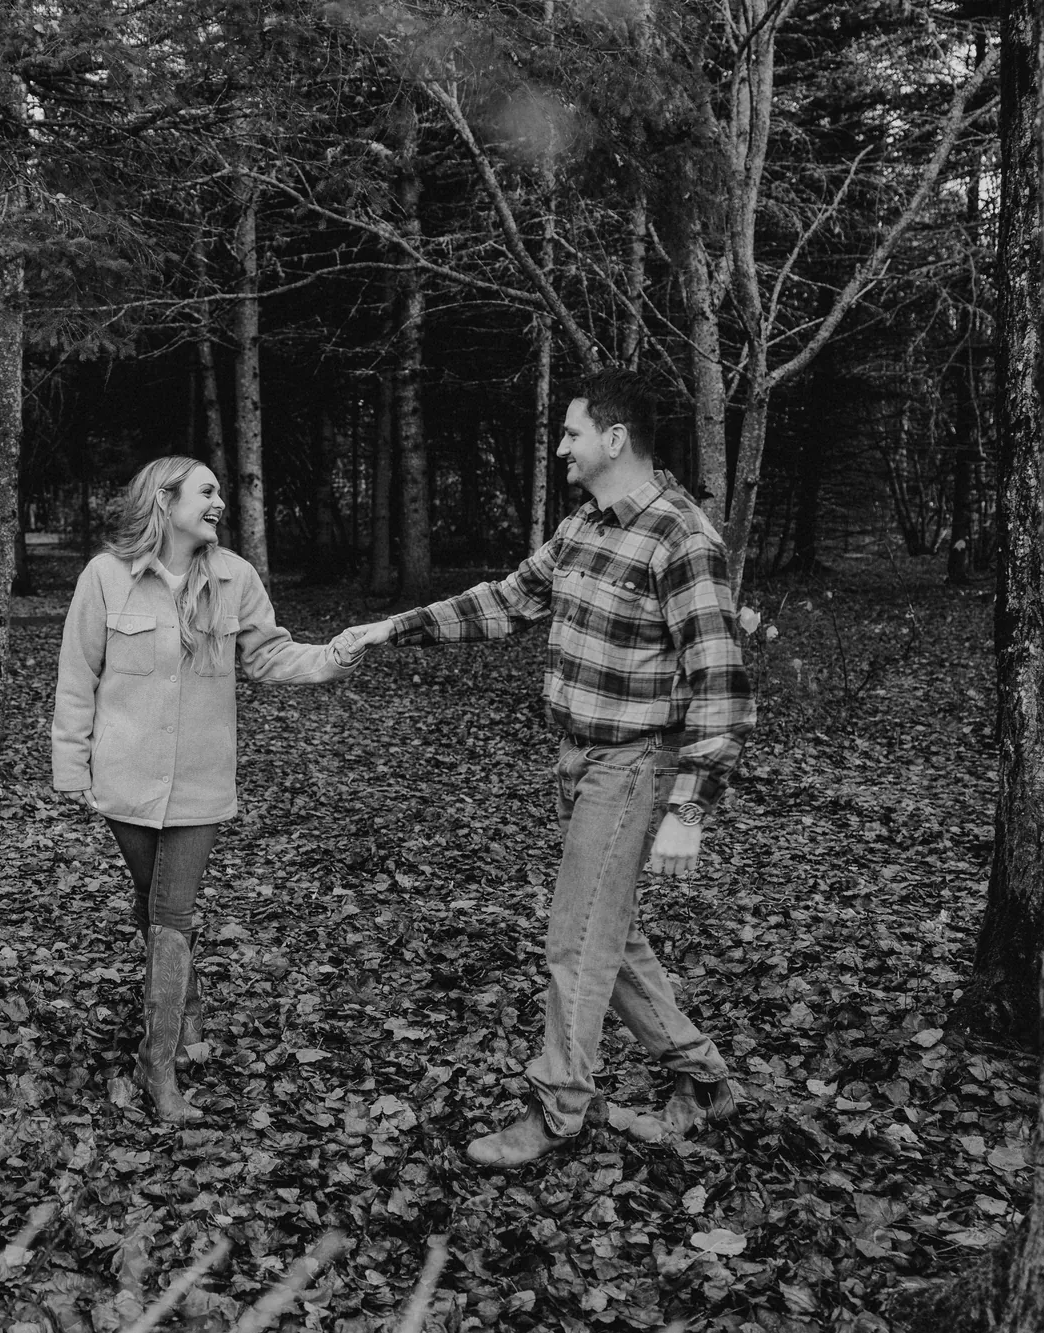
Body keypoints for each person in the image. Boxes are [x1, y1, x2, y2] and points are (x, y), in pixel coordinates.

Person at [335, 371, 755, 1167]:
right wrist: (393, 628)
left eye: (570, 432)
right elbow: (505, 600)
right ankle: (703, 1080)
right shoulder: (582, 528)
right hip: (579, 757)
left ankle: (559, 1109)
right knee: (606, 933)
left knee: (576, 942)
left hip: (634, 763)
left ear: (615, 439)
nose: (560, 446)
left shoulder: (681, 537)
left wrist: (688, 808)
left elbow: (721, 683)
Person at [53, 455, 364, 1124]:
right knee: (151, 901)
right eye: (206, 491)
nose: (220, 501)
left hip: (200, 780)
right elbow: (78, 676)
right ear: (165, 501)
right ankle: (186, 1006)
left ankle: (158, 1065)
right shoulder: (104, 577)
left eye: (221, 491)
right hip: (125, 777)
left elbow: (269, 654)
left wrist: (334, 656)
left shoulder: (235, 577)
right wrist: (71, 767)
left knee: (172, 910)